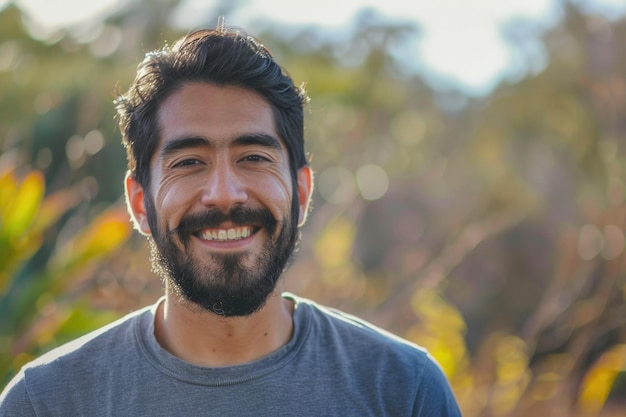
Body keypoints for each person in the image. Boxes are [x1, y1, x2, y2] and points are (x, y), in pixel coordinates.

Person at [0, 22, 462, 416]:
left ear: (301, 191)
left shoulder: (403, 391)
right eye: (188, 162)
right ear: (140, 203)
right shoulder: (47, 402)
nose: (224, 193)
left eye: (254, 157)